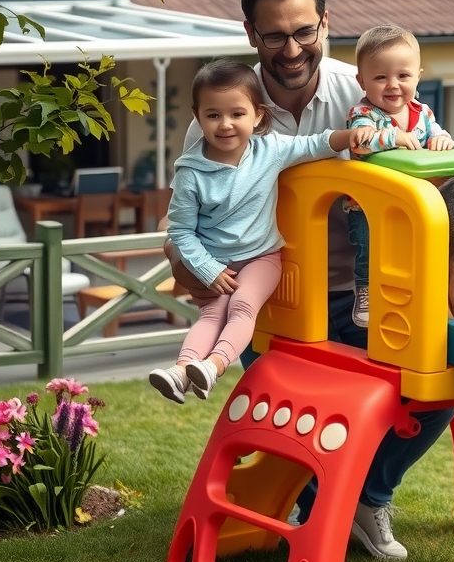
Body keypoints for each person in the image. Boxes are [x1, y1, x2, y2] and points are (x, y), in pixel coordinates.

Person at [167, 0, 454, 561]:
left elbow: (430, 171)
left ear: (326, 22)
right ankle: (323, 507)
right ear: (251, 35)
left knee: (438, 384)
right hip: (275, 296)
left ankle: (363, 499)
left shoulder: (368, 87)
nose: (292, 48)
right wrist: (185, 262)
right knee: (306, 408)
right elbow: (186, 213)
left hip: (368, 289)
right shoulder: (226, 107)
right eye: (274, 35)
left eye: (305, 31)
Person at [149, 60, 370, 403]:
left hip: (262, 257)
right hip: (215, 261)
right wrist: (207, 269)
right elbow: (180, 231)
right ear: (198, 117)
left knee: (242, 307)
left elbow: (316, 143)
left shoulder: (270, 150)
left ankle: (214, 366)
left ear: (257, 116)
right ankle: (182, 370)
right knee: (211, 312)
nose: (225, 124)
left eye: (237, 114)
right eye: (213, 116)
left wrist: (350, 136)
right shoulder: (191, 172)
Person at [345, 24, 454, 327]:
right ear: (362, 81)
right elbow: (360, 141)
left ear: (418, 77)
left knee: (413, 253)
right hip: (367, 205)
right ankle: (365, 289)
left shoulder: (423, 113)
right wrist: (391, 137)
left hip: (412, 204)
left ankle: (423, 294)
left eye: (403, 76)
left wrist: (443, 141)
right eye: (380, 77)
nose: (392, 85)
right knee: (369, 246)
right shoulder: (364, 114)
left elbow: (441, 136)